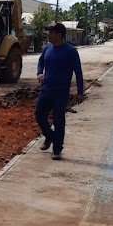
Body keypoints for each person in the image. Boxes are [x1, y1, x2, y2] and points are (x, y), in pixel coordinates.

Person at [35, 23, 84, 160]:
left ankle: (57, 149)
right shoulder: (47, 48)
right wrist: (39, 73)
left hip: (61, 92)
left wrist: (80, 92)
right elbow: (41, 62)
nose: (48, 35)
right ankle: (49, 136)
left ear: (59, 35)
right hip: (46, 89)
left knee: (58, 120)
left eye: (51, 32)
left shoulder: (70, 51)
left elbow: (78, 72)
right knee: (39, 115)